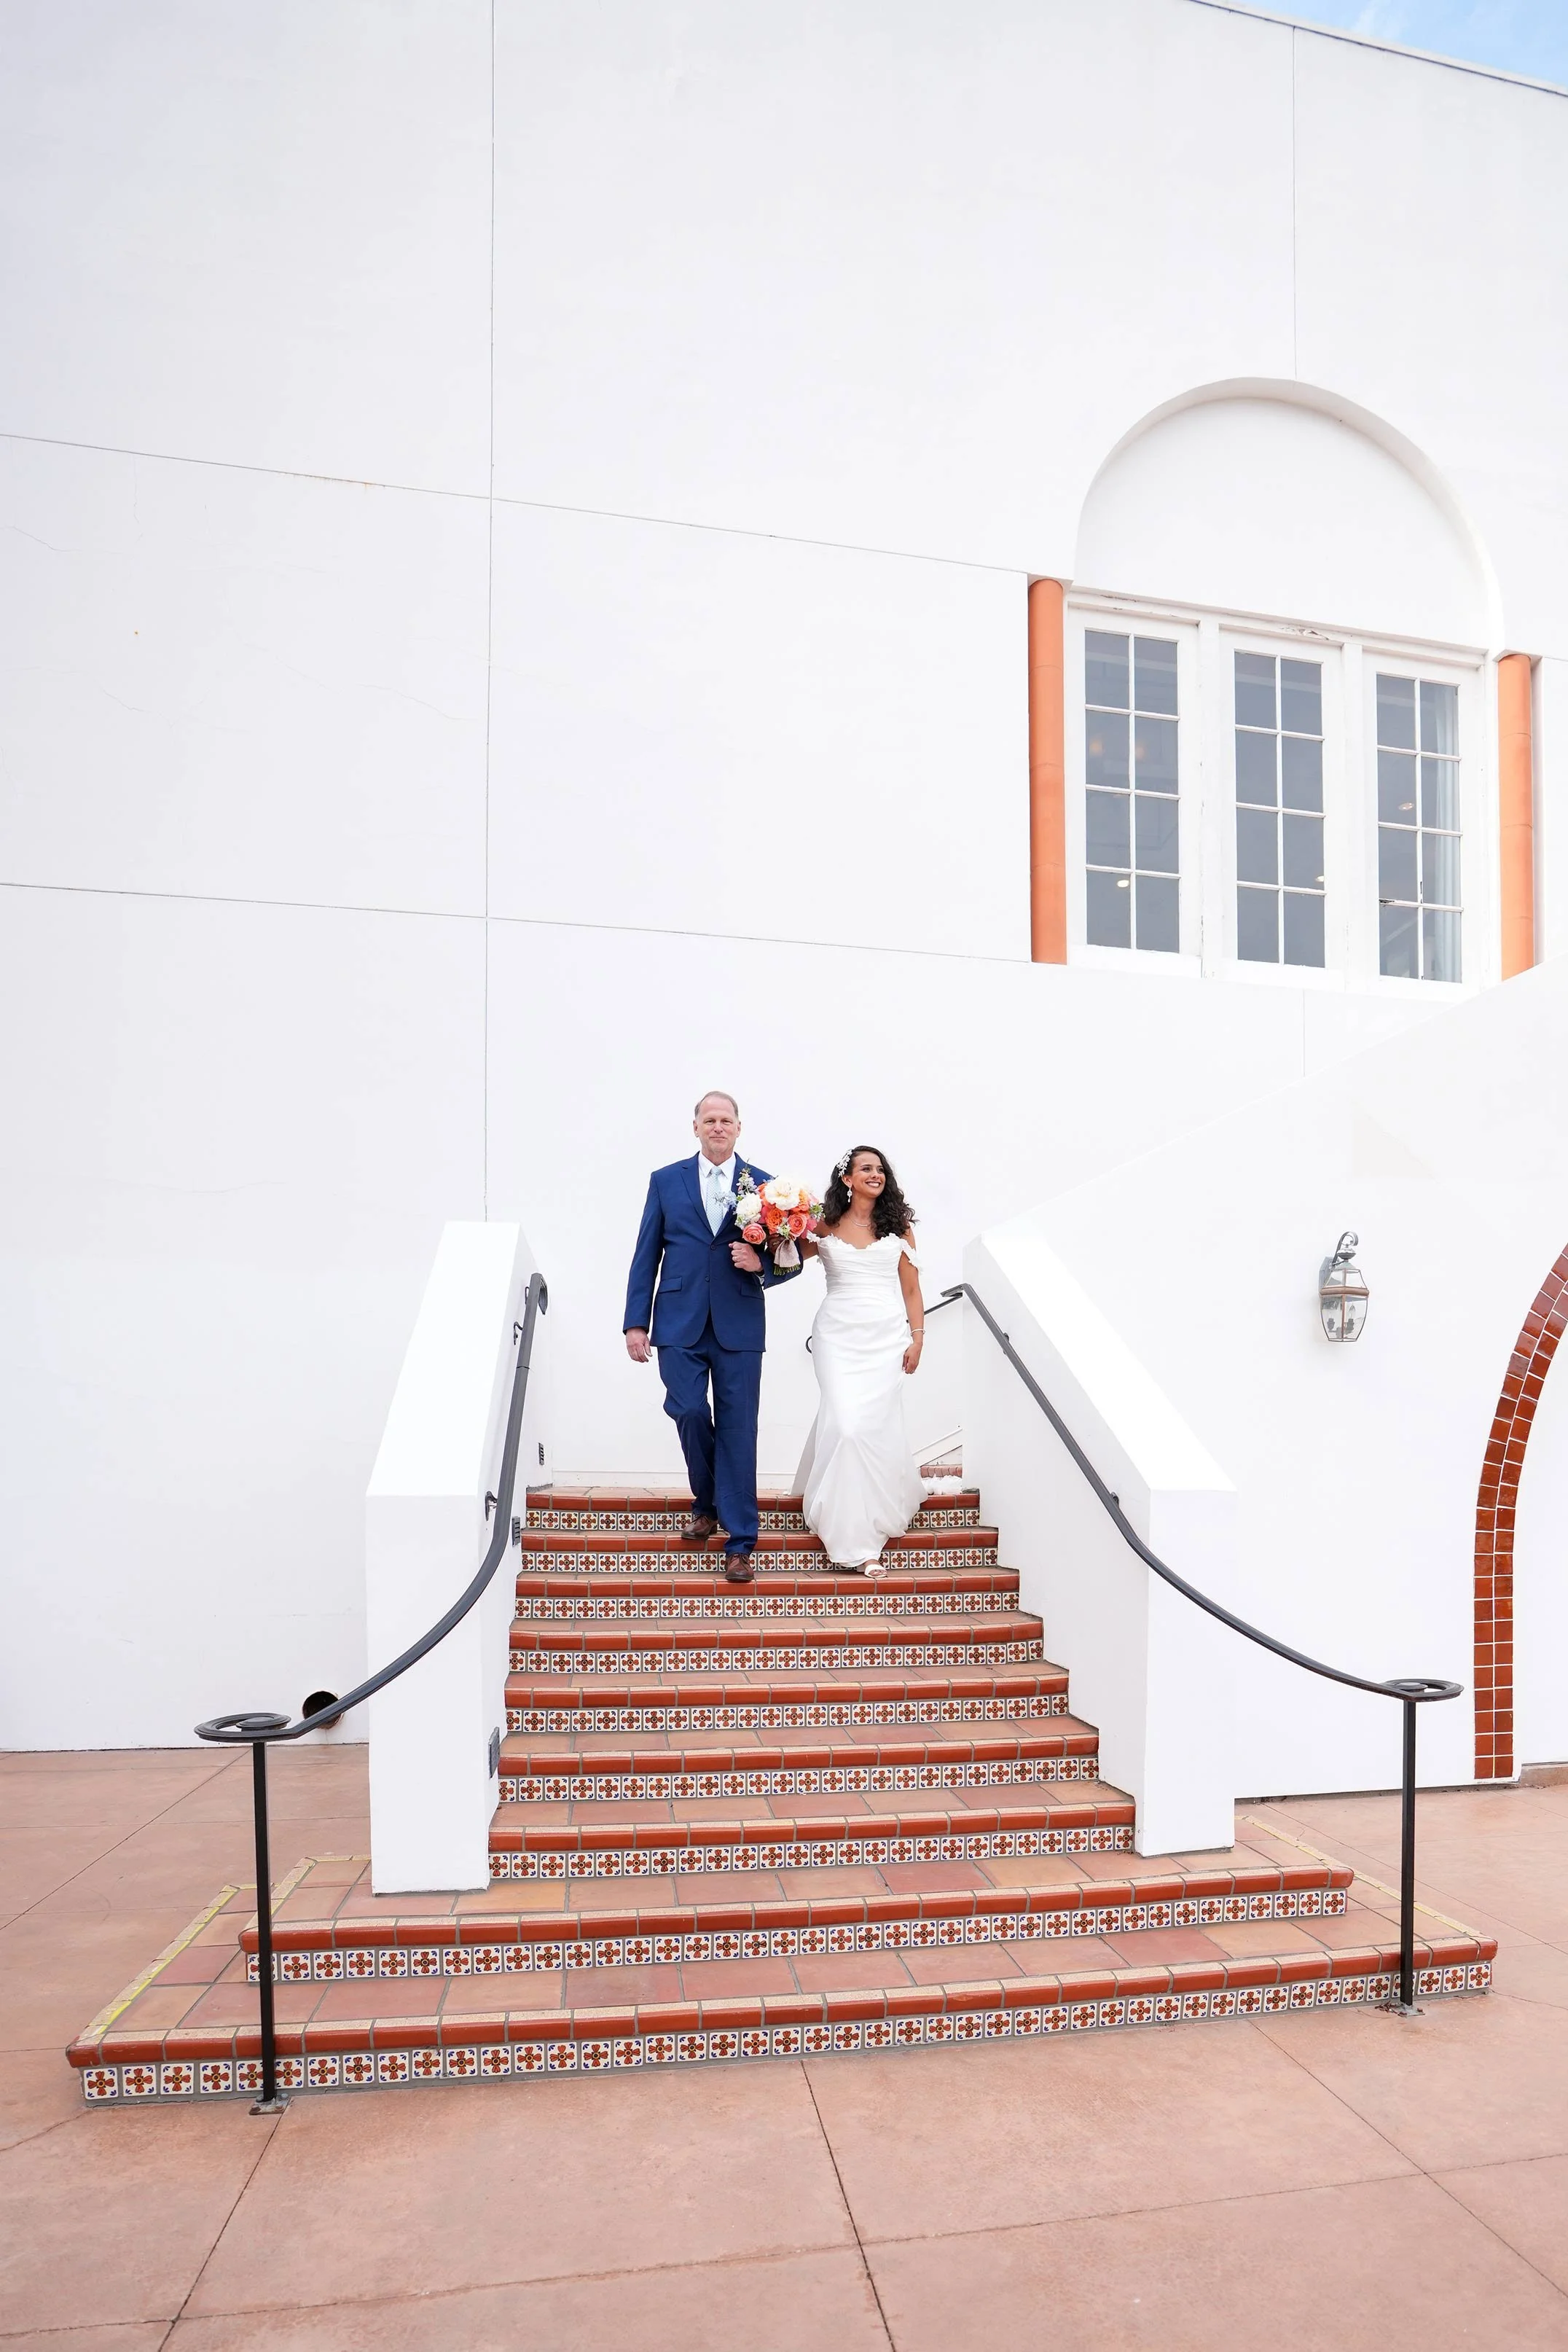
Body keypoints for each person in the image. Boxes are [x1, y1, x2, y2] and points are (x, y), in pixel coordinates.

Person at [624, 1091, 801, 1583]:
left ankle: (740, 1543)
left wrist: (762, 1265)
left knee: (740, 1429)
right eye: (710, 1119)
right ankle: (708, 1499)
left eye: (726, 1120)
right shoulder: (666, 1180)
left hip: (739, 1322)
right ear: (696, 1127)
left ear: (739, 1128)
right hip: (677, 1319)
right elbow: (646, 1254)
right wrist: (636, 1322)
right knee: (688, 1408)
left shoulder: (766, 1186)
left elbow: (793, 1257)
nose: (718, 1127)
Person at [795, 1146, 927, 1576]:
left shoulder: (900, 1228)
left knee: (872, 1427)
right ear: (847, 1179)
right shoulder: (824, 1225)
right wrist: (774, 1225)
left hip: (886, 1339)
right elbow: (784, 1260)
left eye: (880, 1169)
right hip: (836, 1336)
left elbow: (911, 1290)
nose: (876, 1174)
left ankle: (869, 1518)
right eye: (865, 1169)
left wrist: (917, 1337)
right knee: (847, 1425)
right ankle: (854, 1541)